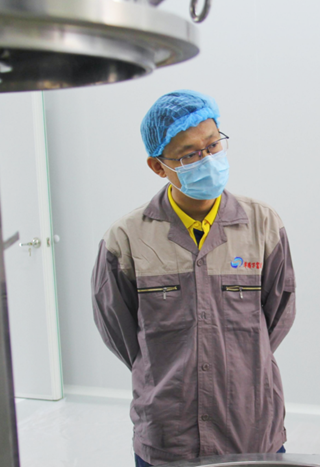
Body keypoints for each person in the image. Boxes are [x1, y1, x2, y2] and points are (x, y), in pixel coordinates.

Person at [91, 90, 296, 466]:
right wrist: (167, 372)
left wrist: (239, 363)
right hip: (169, 435)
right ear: (158, 167)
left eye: (213, 145)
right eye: (189, 155)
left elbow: (277, 316)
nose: (208, 160)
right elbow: (119, 333)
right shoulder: (126, 239)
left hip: (250, 428)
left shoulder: (263, 225)